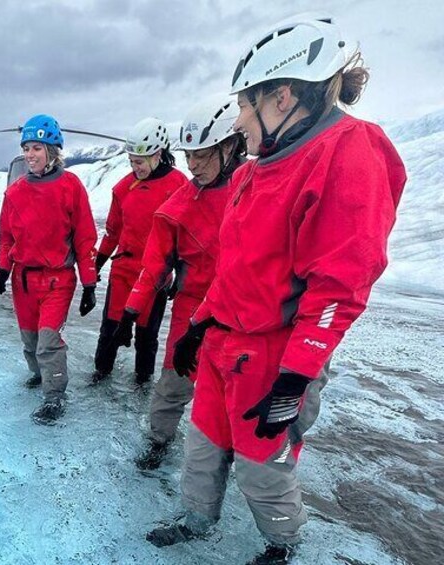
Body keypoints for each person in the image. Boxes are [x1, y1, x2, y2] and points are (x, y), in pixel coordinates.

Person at [145, 16, 406, 564]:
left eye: (245, 105)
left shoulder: (347, 153)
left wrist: (297, 375)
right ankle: (197, 517)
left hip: (274, 353)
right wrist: (198, 326)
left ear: (282, 98)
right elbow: (235, 271)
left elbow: (341, 283)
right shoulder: (250, 173)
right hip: (223, 342)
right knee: (203, 443)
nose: (238, 121)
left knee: (263, 462)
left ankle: (281, 543)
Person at [125, 96, 246, 471]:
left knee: (234, 398)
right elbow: (155, 264)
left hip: (242, 316)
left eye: (203, 154)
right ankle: (158, 442)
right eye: (189, 155)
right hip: (190, 310)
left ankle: (234, 457)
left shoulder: (258, 189)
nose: (193, 165)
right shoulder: (180, 204)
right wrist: (131, 310)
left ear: (230, 146)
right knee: (170, 388)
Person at [0, 114, 98, 425]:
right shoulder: (15, 192)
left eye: (36, 147)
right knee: (30, 341)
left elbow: (85, 236)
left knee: (49, 340)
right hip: (23, 282)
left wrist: (89, 284)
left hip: (57, 280)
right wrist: (1, 272)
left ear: (52, 150)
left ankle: (54, 396)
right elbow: (6, 237)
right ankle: (39, 376)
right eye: (26, 148)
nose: (29, 155)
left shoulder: (71, 186)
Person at [91, 118, 188, 386]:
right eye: (132, 161)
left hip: (155, 276)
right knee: (110, 329)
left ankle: (142, 382)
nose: (136, 167)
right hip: (123, 271)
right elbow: (112, 232)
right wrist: (96, 267)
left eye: (140, 161)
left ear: (158, 154)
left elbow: (186, 236)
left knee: (147, 335)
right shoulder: (123, 188)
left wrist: (181, 275)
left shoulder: (180, 186)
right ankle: (100, 375)